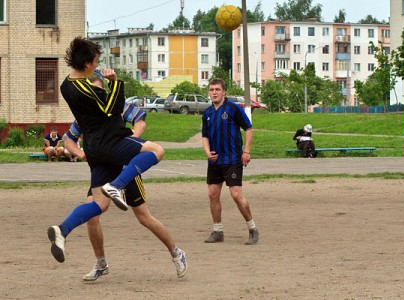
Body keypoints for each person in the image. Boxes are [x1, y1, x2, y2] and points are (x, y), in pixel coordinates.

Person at [47, 37, 187, 278]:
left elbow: (139, 120)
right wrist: (115, 83)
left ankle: (63, 229)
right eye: (97, 63)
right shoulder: (95, 94)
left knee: (134, 215)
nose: (99, 72)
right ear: (90, 64)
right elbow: (108, 109)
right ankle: (102, 258)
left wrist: (132, 140)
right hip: (113, 149)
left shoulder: (66, 85)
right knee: (157, 151)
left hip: (109, 153)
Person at [64, 97, 187, 280]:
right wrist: (81, 153)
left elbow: (140, 121)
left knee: (144, 217)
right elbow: (68, 140)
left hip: (126, 169)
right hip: (104, 170)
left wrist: (130, 144)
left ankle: (176, 253)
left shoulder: (117, 105)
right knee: (92, 215)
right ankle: (101, 263)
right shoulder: (86, 113)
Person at [201, 78, 259, 245]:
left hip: (232, 159)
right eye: (211, 89)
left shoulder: (233, 109)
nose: (214, 92)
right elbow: (204, 136)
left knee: (235, 195)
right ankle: (218, 231)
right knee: (213, 195)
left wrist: (246, 151)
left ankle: (252, 228)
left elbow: (248, 129)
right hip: (214, 162)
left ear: (224, 92)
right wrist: (207, 153)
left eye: (217, 89)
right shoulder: (207, 113)